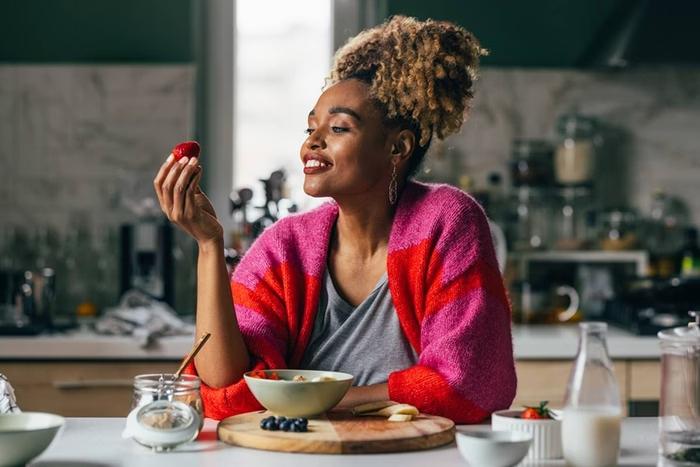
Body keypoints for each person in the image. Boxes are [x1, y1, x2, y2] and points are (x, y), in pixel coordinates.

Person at [153, 15, 516, 423]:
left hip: (414, 453)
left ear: (398, 147)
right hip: (297, 450)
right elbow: (226, 384)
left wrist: (310, 400)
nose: (313, 140)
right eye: (311, 127)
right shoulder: (284, 247)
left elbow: (467, 383)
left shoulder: (447, 223)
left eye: (339, 127)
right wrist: (208, 246)